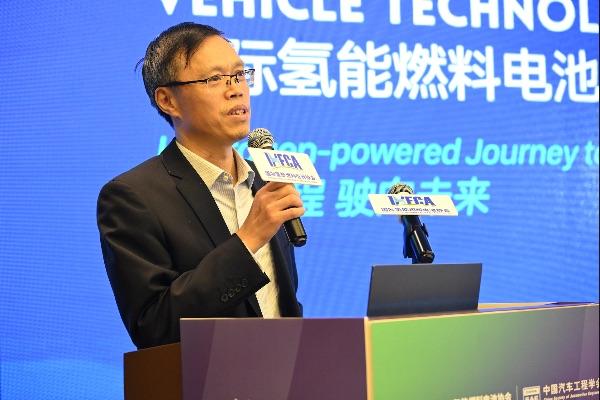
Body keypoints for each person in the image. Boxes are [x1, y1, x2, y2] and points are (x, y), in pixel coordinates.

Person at [97, 22, 304, 349]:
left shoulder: (264, 181)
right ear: (168, 100)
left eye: (239, 74)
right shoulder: (132, 197)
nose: (236, 89)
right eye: (214, 79)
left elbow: (278, 304)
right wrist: (249, 239)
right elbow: (154, 327)